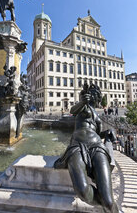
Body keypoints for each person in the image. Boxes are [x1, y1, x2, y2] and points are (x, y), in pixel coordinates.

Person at [54, 83, 119, 213]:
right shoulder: (84, 107)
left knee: (109, 201)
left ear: (99, 98)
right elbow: (72, 110)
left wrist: (107, 133)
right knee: (83, 191)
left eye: (95, 94)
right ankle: (105, 202)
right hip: (77, 146)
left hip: (97, 146)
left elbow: (97, 133)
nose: (92, 95)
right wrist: (82, 101)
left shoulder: (97, 115)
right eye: (91, 93)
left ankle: (108, 205)